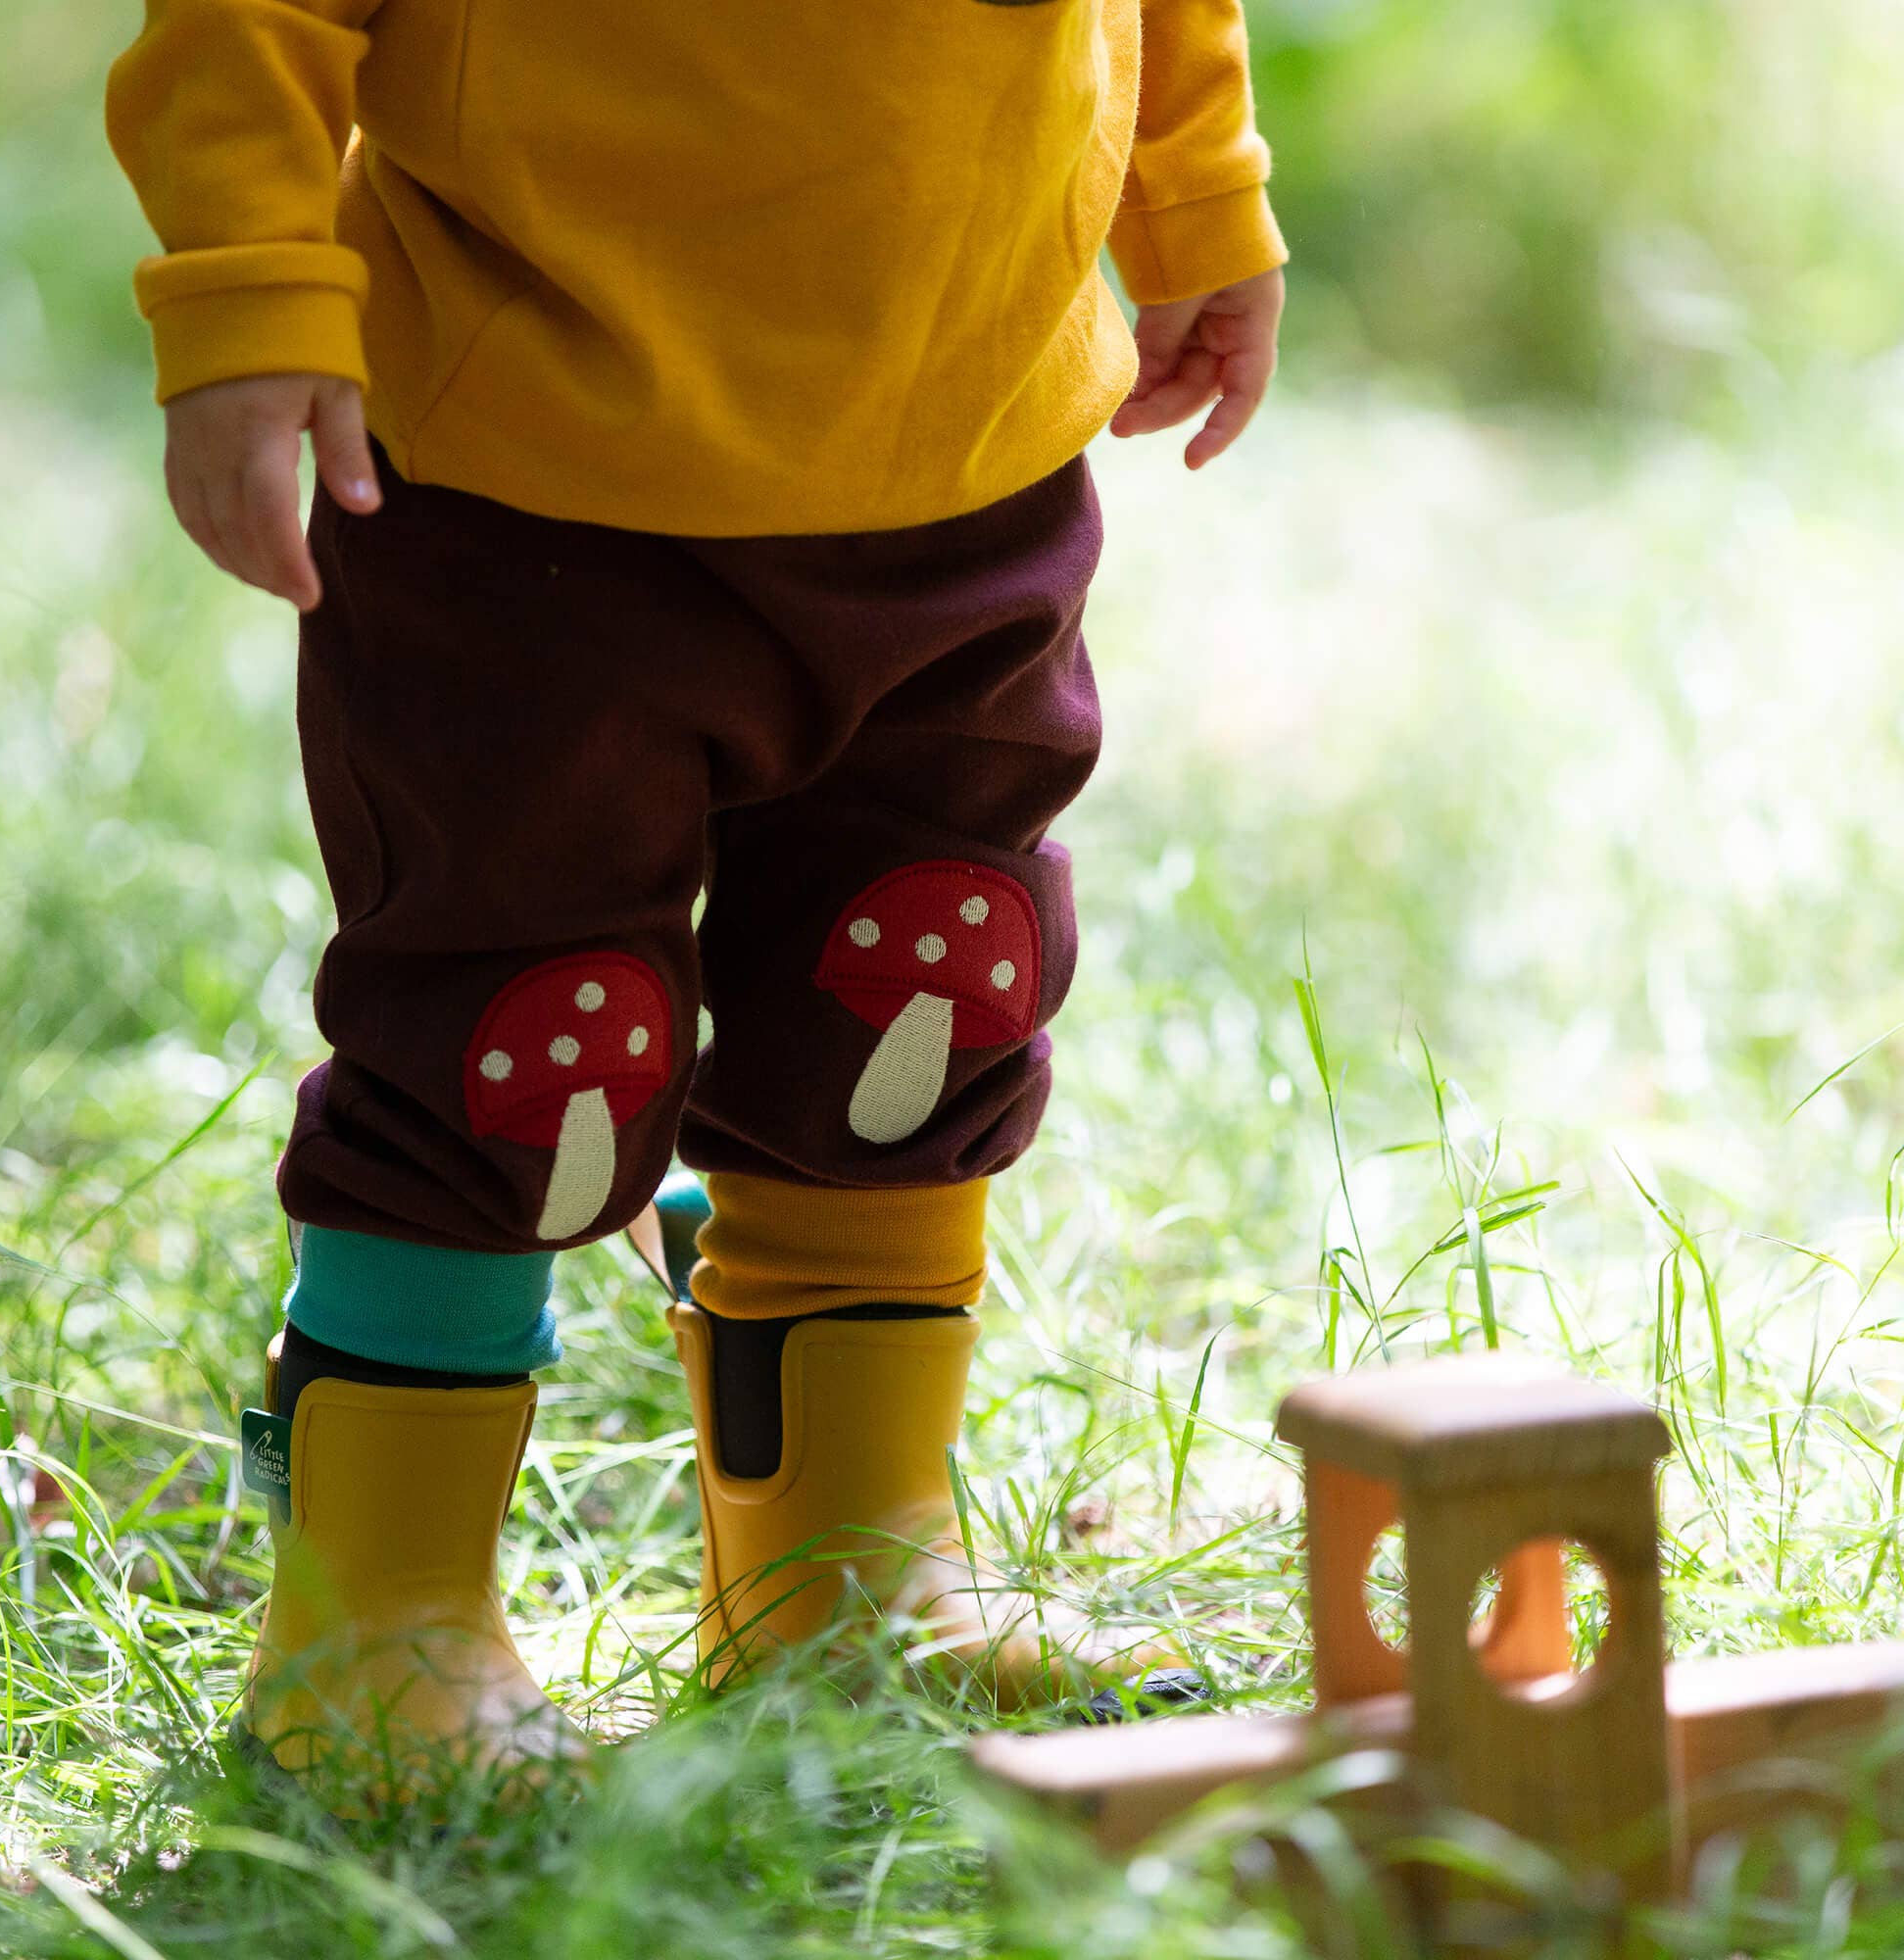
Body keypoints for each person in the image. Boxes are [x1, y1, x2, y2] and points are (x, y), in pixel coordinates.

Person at [106, 0, 1287, 1811]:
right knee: (520, 1038)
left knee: (915, 984)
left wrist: (1196, 197)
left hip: (966, 449)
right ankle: (377, 1628)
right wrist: (254, 291)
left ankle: (848, 1561)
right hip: (530, 475)